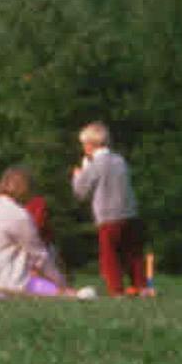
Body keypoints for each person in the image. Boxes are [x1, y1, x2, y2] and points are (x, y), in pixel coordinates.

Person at [0, 167, 67, 299]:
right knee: (60, 292)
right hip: (4, 284)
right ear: (24, 189)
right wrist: (61, 284)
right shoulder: (18, 215)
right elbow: (39, 256)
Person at [73, 122, 150, 297]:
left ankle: (116, 290)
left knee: (109, 256)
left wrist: (79, 174)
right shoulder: (119, 160)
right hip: (129, 213)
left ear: (91, 145)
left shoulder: (95, 164)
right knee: (133, 254)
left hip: (108, 217)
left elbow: (81, 192)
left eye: (84, 144)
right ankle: (142, 287)